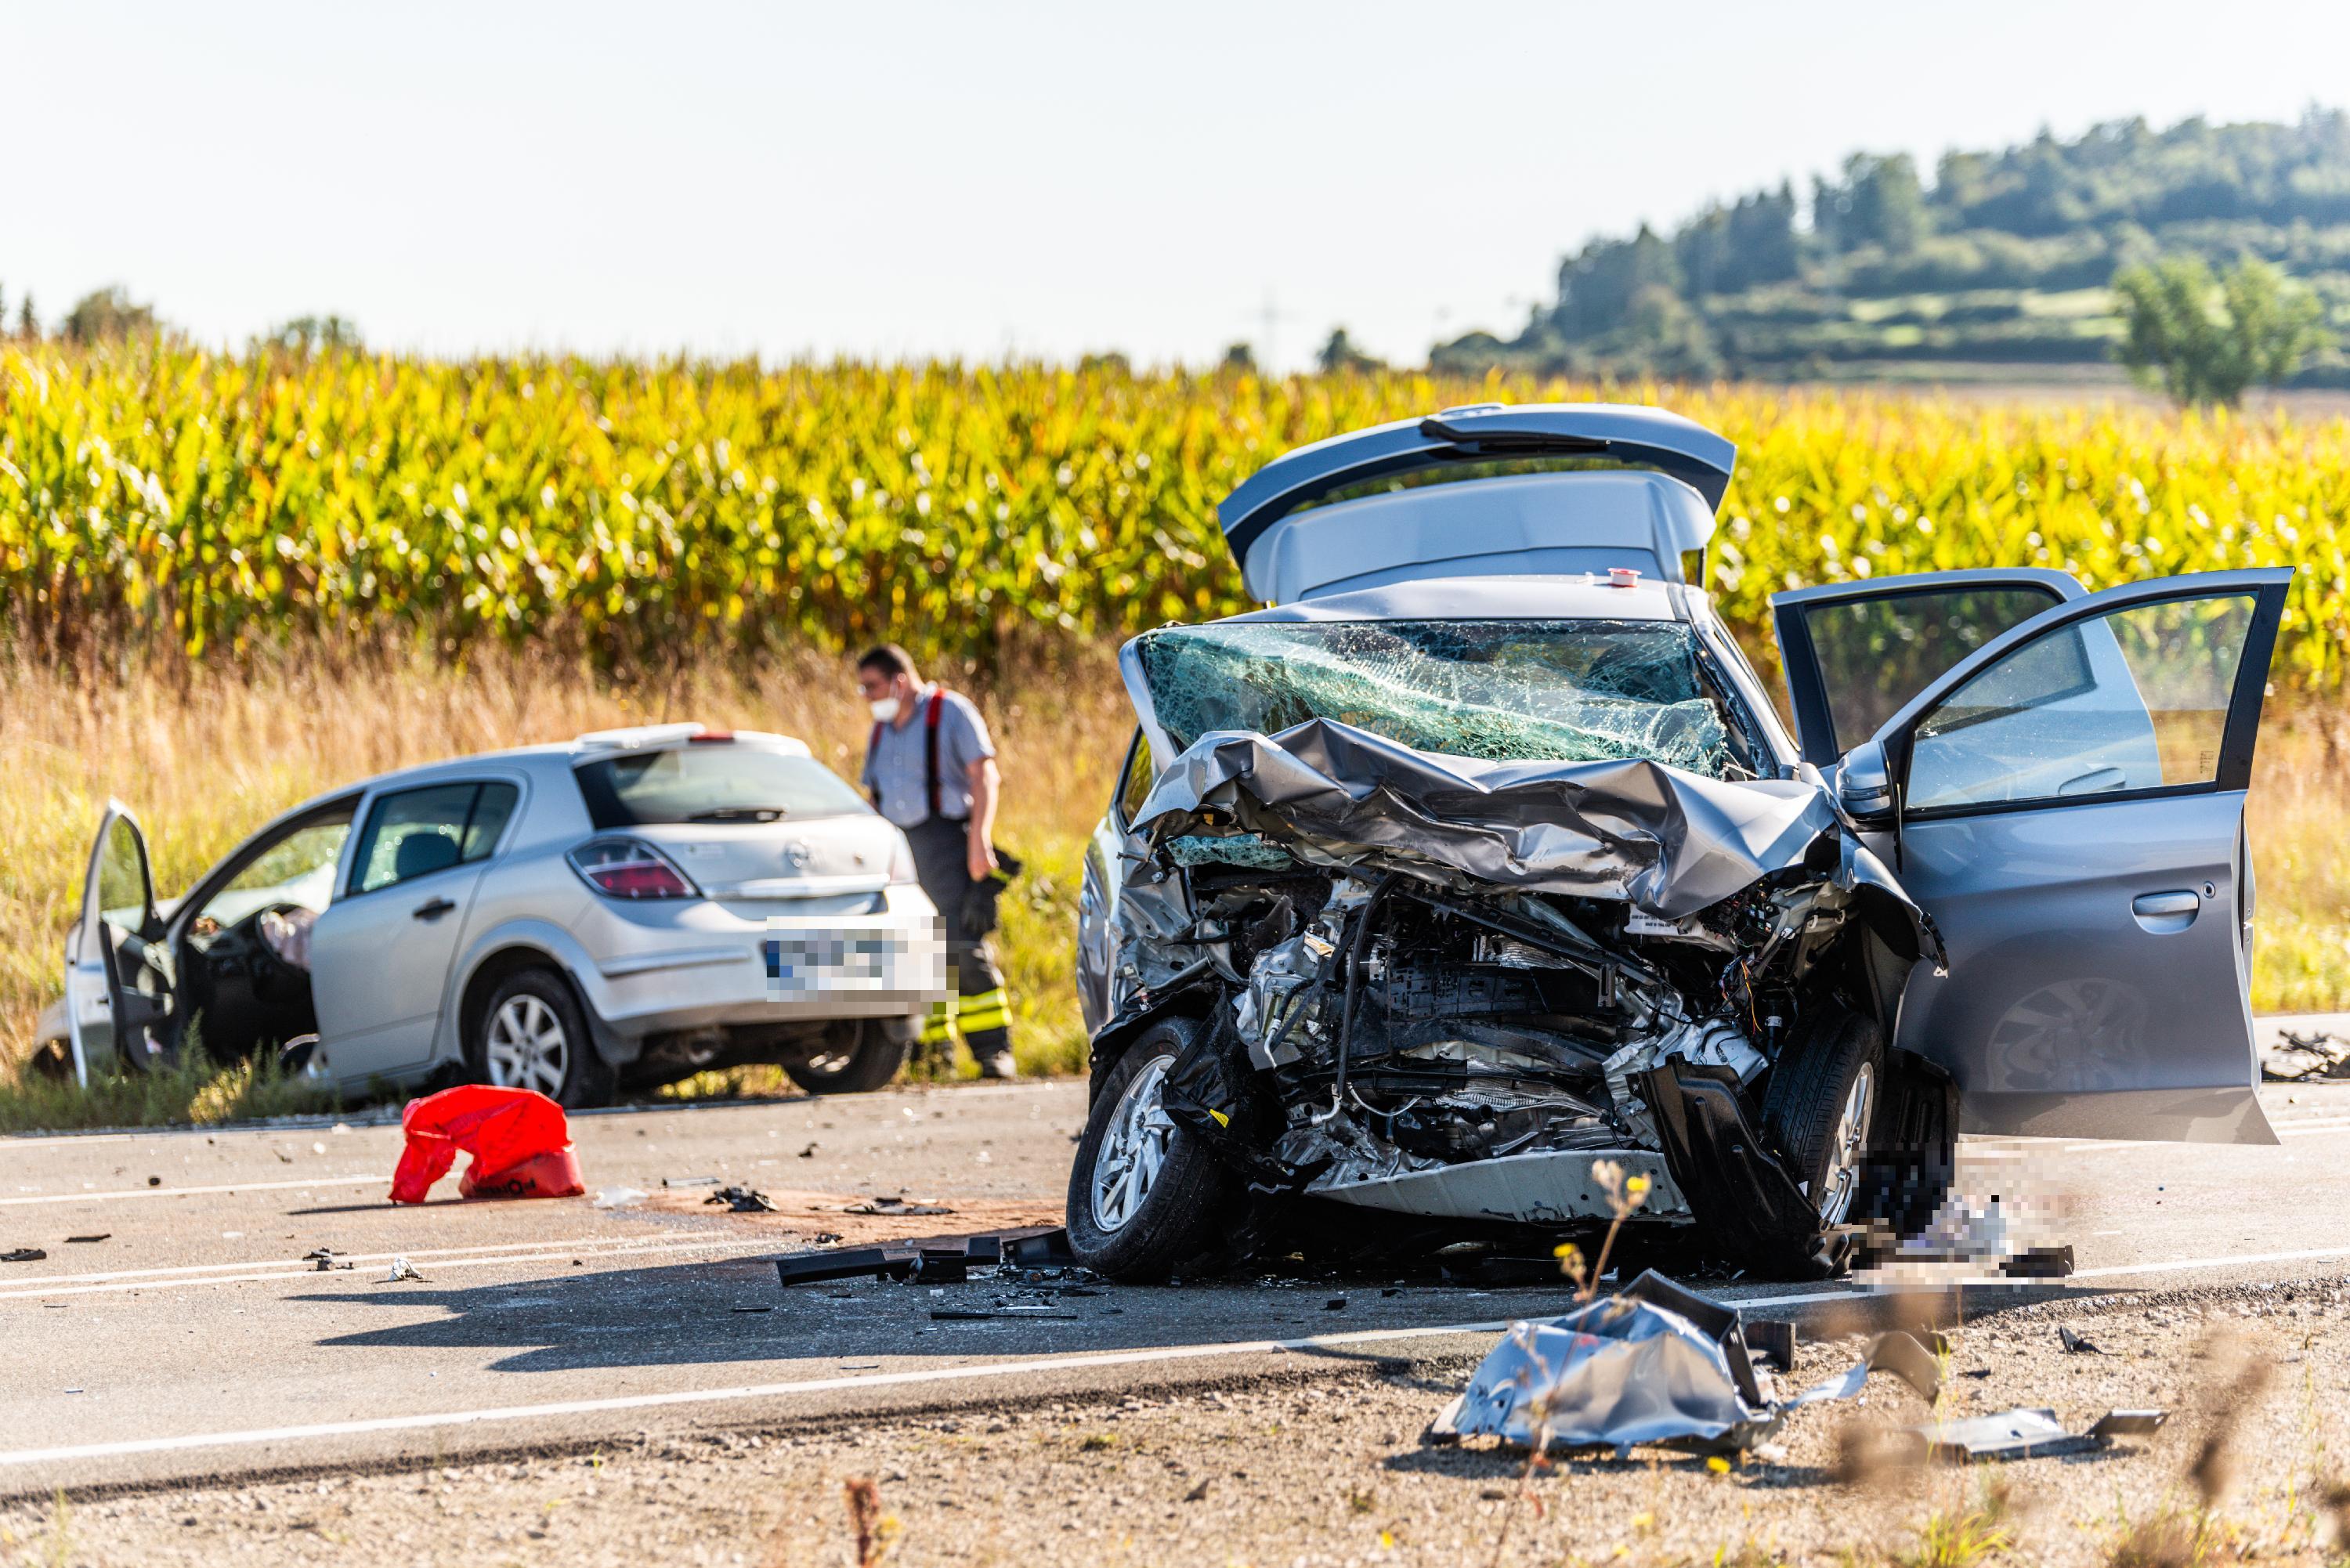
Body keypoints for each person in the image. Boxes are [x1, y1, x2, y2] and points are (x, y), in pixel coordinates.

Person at [855, 645, 1020, 1079]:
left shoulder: (950, 711)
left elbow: (984, 775)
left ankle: (993, 1052)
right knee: (914, 952)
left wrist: (979, 842)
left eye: (871, 686)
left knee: (962, 950)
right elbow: (874, 799)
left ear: (900, 680)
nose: (866, 695)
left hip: (949, 843)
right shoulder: (881, 731)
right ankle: (932, 1059)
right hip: (902, 852)